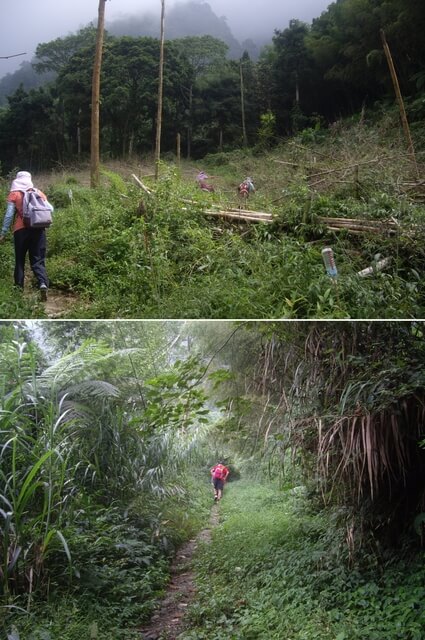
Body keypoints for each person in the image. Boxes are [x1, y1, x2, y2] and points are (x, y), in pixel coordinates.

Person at [0, 171, 51, 300]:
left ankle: (18, 291)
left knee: (20, 261)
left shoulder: (14, 194)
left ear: (17, 180)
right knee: (38, 259)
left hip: (20, 231)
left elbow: (9, 215)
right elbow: (50, 209)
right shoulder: (38, 192)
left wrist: (3, 233)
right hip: (38, 230)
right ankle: (42, 283)